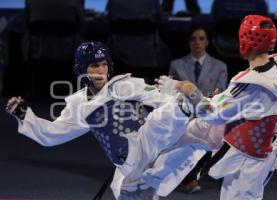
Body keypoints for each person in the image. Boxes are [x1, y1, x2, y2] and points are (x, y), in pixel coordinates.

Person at [5, 41, 217, 200]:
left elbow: (159, 98)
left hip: (147, 142)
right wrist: (25, 116)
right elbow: (52, 135)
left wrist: (183, 94)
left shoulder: (123, 85)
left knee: (163, 116)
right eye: (93, 66)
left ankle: (198, 106)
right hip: (129, 165)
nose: (100, 71)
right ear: (82, 70)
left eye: (103, 64)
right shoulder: (80, 105)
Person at [176, 15, 277, 200]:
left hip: (248, 159)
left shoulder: (249, 83)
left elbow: (213, 115)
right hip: (267, 155)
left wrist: (190, 91)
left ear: (244, 41)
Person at [168, 25, 228, 193]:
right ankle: (188, 177)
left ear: (207, 42)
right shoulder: (176, 65)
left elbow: (221, 94)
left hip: (209, 113)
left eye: (201, 39)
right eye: (193, 39)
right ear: (188, 42)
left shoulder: (220, 66)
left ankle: (195, 174)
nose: (197, 42)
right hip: (183, 114)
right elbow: (170, 93)